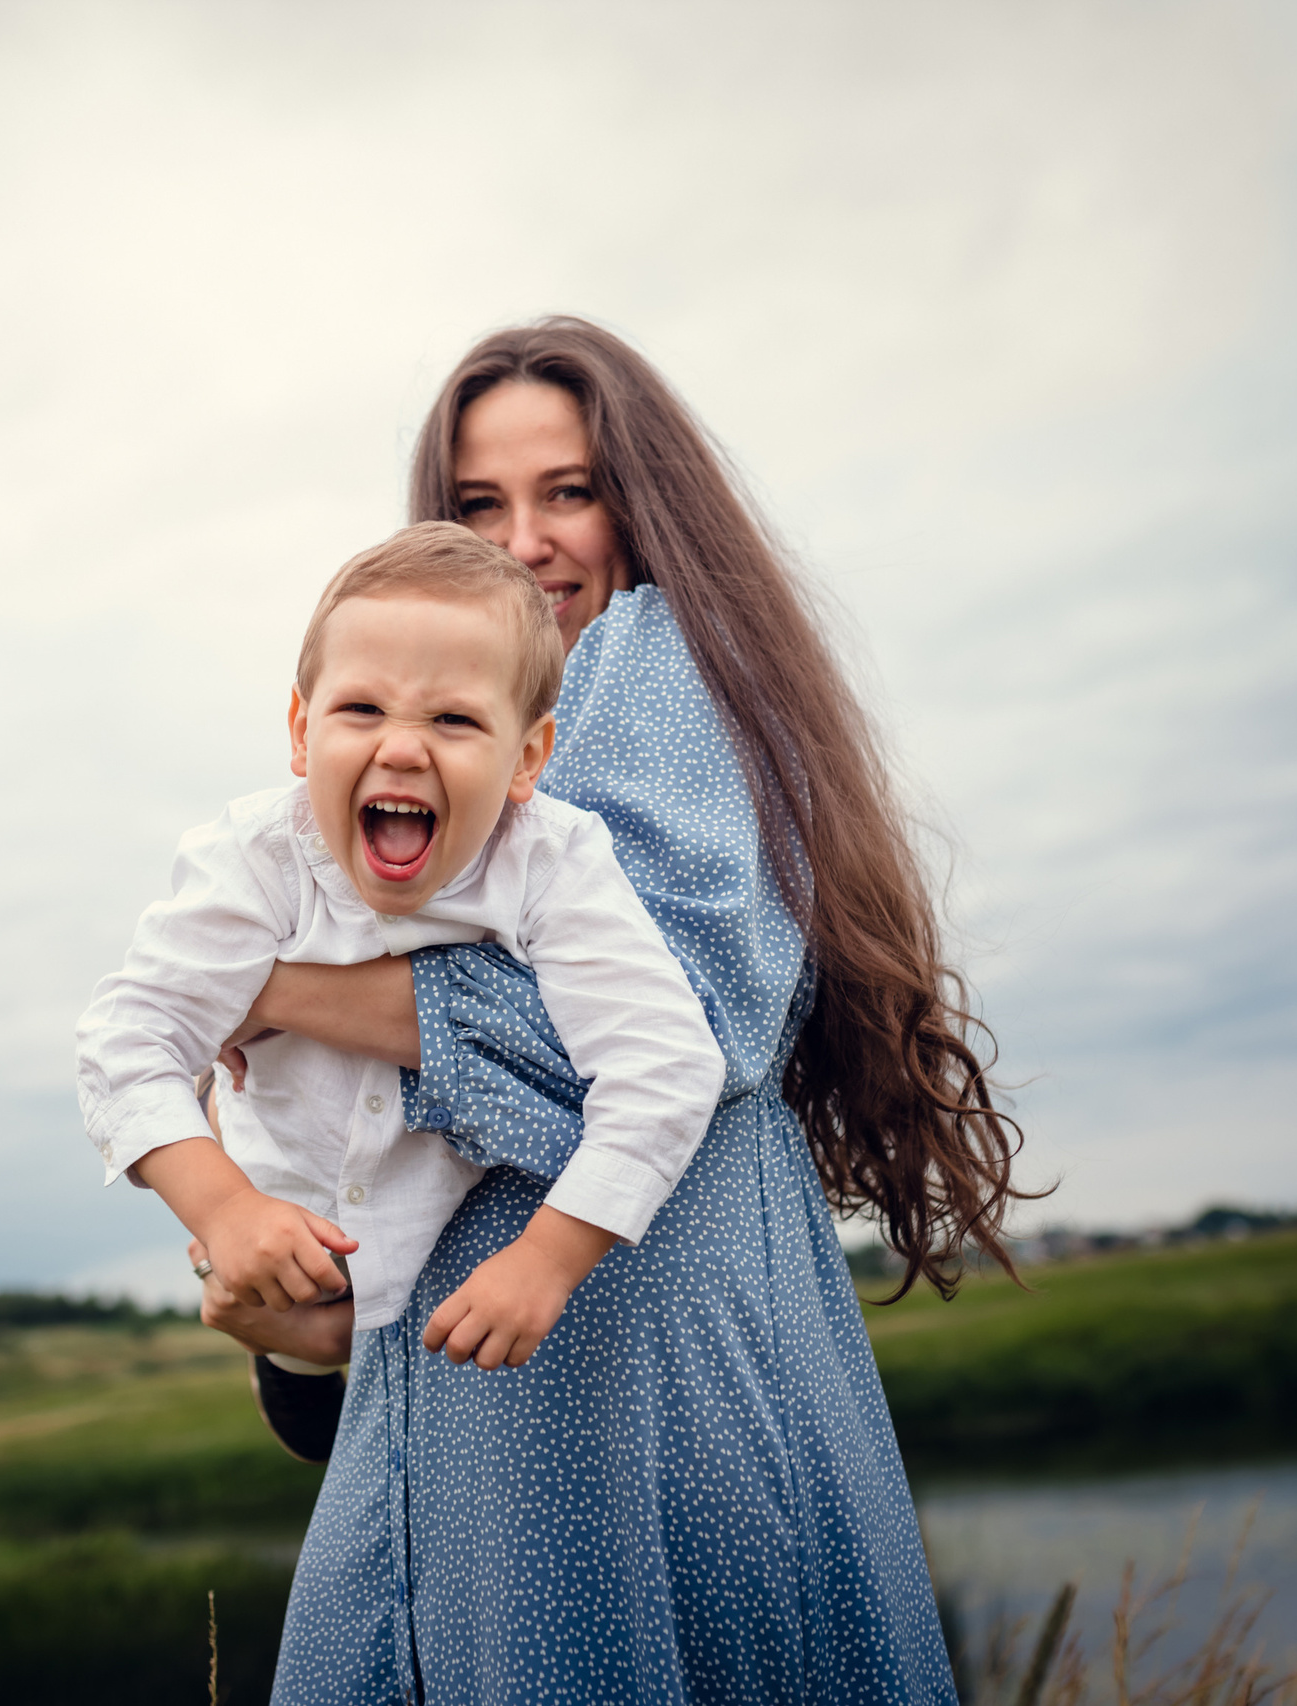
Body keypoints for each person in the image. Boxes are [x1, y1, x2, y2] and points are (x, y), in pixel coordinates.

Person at [191, 318, 1030, 1704]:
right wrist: (293, 1316)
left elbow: (682, 1020)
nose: (526, 539)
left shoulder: (655, 664)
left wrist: (266, 984)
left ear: (647, 504)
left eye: (568, 491)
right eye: (478, 505)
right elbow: (386, 1133)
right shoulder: (451, 733)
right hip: (496, 1424)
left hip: (627, 1409)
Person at [76, 523, 724, 1410]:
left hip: (433, 1268)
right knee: (300, 1387)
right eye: (362, 711)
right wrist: (223, 1211)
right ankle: (286, 1360)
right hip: (278, 1241)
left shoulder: (552, 860)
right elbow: (128, 1038)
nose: (404, 747)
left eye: (454, 719)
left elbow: (666, 1061)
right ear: (302, 732)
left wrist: (549, 1256)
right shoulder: (257, 857)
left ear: (527, 757)